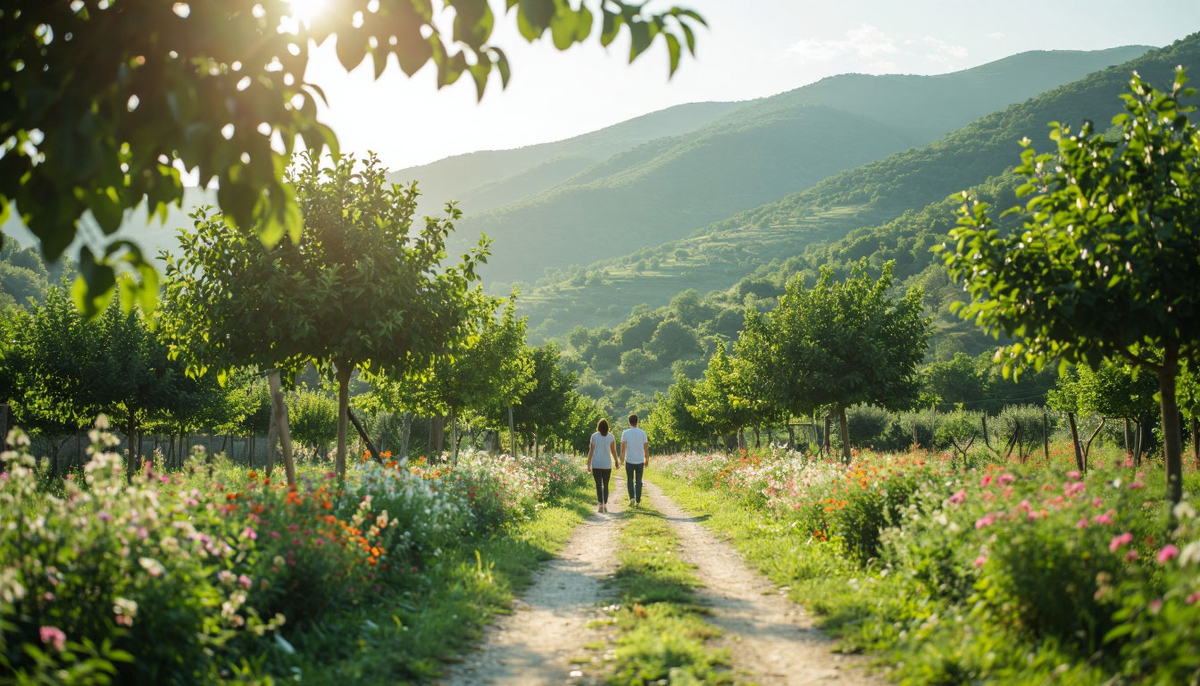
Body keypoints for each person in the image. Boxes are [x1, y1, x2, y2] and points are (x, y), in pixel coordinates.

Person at [587, 418, 618, 513]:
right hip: (606, 465)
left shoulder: (594, 436)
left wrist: (588, 464)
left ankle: (600, 504)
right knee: (606, 484)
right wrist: (616, 461)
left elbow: (591, 451)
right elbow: (613, 450)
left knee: (598, 485)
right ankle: (605, 504)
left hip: (596, 464)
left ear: (598, 426)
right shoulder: (611, 437)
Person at [620, 414, 649, 508]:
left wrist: (621, 459)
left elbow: (623, 448)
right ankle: (638, 500)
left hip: (629, 460)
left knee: (630, 480)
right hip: (640, 460)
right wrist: (646, 459)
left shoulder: (625, 433)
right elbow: (645, 448)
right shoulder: (643, 433)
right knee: (639, 480)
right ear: (638, 421)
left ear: (629, 422)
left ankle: (632, 498)